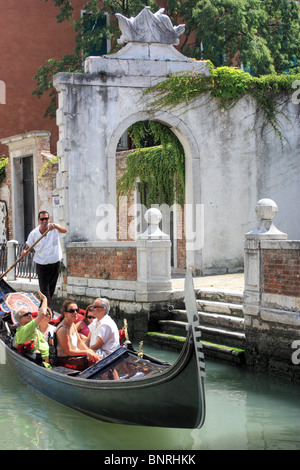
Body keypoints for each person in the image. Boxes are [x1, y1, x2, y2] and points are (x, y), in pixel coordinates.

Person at [21, 210, 67, 312]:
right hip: (42, 264)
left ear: (49, 219)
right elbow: (27, 247)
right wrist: (24, 251)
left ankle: (42, 309)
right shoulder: (33, 233)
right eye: (42, 219)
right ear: (39, 220)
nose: (44, 221)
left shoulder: (54, 228)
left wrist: (55, 226)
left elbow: (64, 230)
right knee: (44, 290)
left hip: (55, 262)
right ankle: (48, 311)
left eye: (46, 218)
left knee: (51, 289)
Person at [55, 300, 101, 370]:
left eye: (77, 310)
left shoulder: (72, 324)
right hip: (66, 361)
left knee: (100, 359)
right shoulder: (63, 330)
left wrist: (90, 351)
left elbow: (79, 342)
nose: (75, 313)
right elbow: (69, 352)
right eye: (71, 311)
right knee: (97, 363)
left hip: (75, 357)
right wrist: (87, 352)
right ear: (65, 313)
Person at [14, 291, 50, 362]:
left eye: (30, 313)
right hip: (43, 359)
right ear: (20, 320)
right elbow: (42, 313)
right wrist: (45, 299)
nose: (30, 315)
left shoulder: (19, 330)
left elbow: (16, 345)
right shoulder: (27, 327)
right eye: (26, 314)